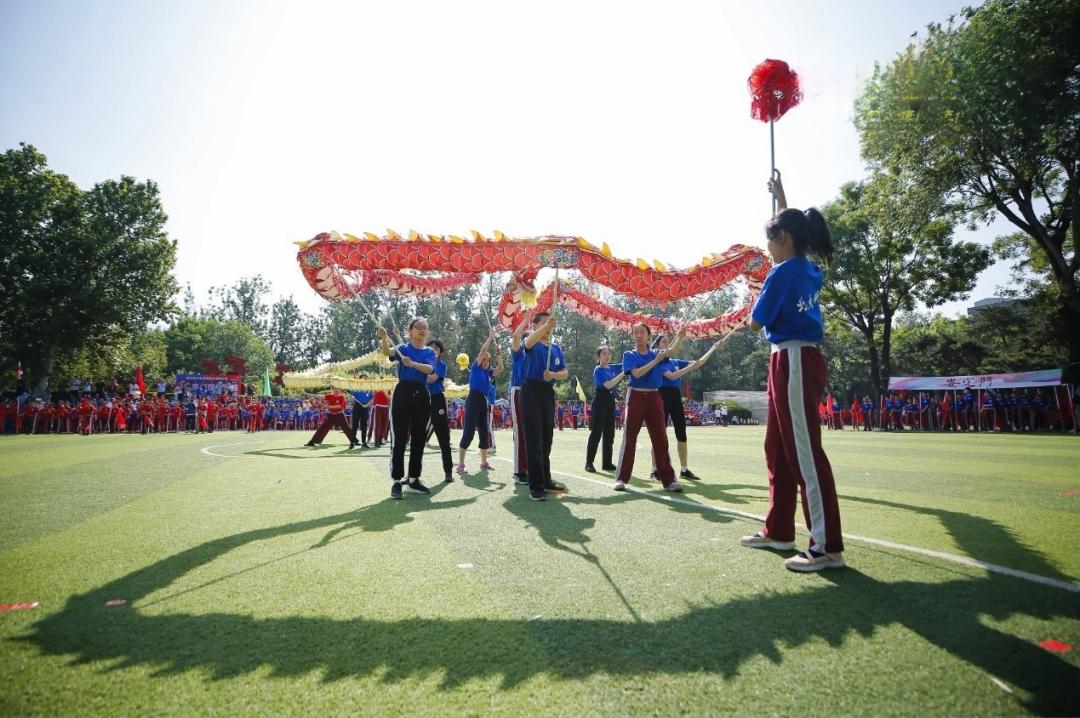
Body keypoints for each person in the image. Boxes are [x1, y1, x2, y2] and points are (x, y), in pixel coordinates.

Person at [738, 172, 845, 572]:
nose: (767, 248)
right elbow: (792, 229)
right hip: (788, 358)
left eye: (770, 240)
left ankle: (827, 545)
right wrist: (782, 198)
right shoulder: (805, 266)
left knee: (804, 453)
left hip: (794, 359)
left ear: (781, 239)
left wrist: (754, 297)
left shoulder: (781, 273)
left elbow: (755, 320)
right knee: (779, 449)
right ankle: (780, 530)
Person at [614, 323, 685, 493]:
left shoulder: (657, 353)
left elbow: (671, 352)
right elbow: (637, 374)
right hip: (636, 395)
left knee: (660, 439)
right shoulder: (629, 355)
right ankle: (621, 478)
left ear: (648, 336)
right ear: (633, 336)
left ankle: (669, 480)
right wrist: (655, 361)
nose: (639, 335)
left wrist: (681, 337)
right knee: (630, 437)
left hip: (654, 396)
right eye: (635, 332)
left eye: (642, 332)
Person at [651, 333, 724, 480]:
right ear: (657, 345)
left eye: (668, 342)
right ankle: (655, 470)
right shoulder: (657, 362)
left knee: (681, 433)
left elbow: (699, 362)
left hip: (675, 396)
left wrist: (713, 348)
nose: (667, 344)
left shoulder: (676, 361)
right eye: (663, 342)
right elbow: (672, 376)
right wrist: (689, 368)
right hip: (662, 396)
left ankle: (684, 470)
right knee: (660, 435)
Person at [382, 319, 438, 499]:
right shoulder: (402, 348)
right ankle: (397, 481)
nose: (422, 330)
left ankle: (414, 479)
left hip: (421, 393)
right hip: (402, 392)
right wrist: (384, 338)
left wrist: (412, 363)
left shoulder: (429, 351)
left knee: (419, 439)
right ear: (410, 331)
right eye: (419, 327)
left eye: (425, 328)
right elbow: (387, 352)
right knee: (399, 438)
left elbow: (430, 369)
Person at [520, 311, 569, 501]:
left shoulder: (555, 349)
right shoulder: (531, 343)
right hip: (531, 391)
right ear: (536, 326)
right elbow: (527, 343)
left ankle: (546, 479)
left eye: (550, 324)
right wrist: (545, 327)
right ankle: (536, 485)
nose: (548, 327)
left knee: (547, 438)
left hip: (547, 393)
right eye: (544, 323)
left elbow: (564, 372)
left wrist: (554, 376)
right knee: (534, 440)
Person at [457, 330, 503, 474]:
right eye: (484, 359)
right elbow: (483, 351)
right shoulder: (476, 368)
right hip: (473, 399)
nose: (485, 361)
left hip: (483, 401)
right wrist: (490, 337)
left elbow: (501, 368)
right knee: (469, 432)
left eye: (487, 360)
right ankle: (461, 464)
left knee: (484, 432)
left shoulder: (488, 372)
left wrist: (498, 354)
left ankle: (484, 462)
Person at [585, 346, 624, 473]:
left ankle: (606, 463)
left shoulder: (612, 367)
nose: (607, 356)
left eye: (609, 354)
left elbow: (627, 364)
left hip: (610, 402)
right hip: (600, 401)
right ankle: (589, 462)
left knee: (609, 433)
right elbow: (608, 385)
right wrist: (623, 374)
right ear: (598, 357)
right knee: (596, 433)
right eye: (604, 354)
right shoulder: (598, 370)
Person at [424, 339, 455, 483]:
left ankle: (448, 471)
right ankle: (413, 475)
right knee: (418, 438)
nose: (434, 350)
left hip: (437, 400)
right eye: (431, 348)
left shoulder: (441, 365)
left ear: (440, 352)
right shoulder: (422, 364)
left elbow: (431, 379)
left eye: (437, 349)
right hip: (422, 399)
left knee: (443, 438)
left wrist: (417, 368)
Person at [508, 313, 531, 483]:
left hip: (534, 392)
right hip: (519, 391)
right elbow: (516, 336)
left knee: (532, 432)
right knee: (521, 432)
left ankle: (532, 467)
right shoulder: (519, 352)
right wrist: (525, 320)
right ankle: (519, 471)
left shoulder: (538, 353)